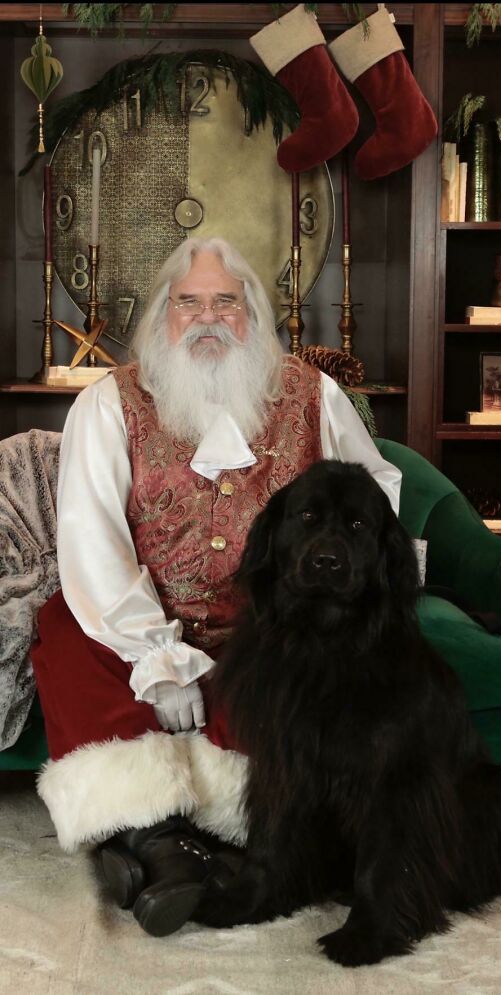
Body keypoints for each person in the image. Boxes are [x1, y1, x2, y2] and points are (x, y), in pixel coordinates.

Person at [31, 237, 401, 937]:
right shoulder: (109, 405)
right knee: (63, 629)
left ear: (253, 314)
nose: (207, 318)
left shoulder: (312, 396)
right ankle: (165, 842)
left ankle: (159, 845)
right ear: (163, 318)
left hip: (267, 632)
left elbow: (374, 495)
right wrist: (156, 657)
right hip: (139, 628)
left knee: (297, 677)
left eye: (225, 302)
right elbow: (92, 539)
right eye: (189, 303)